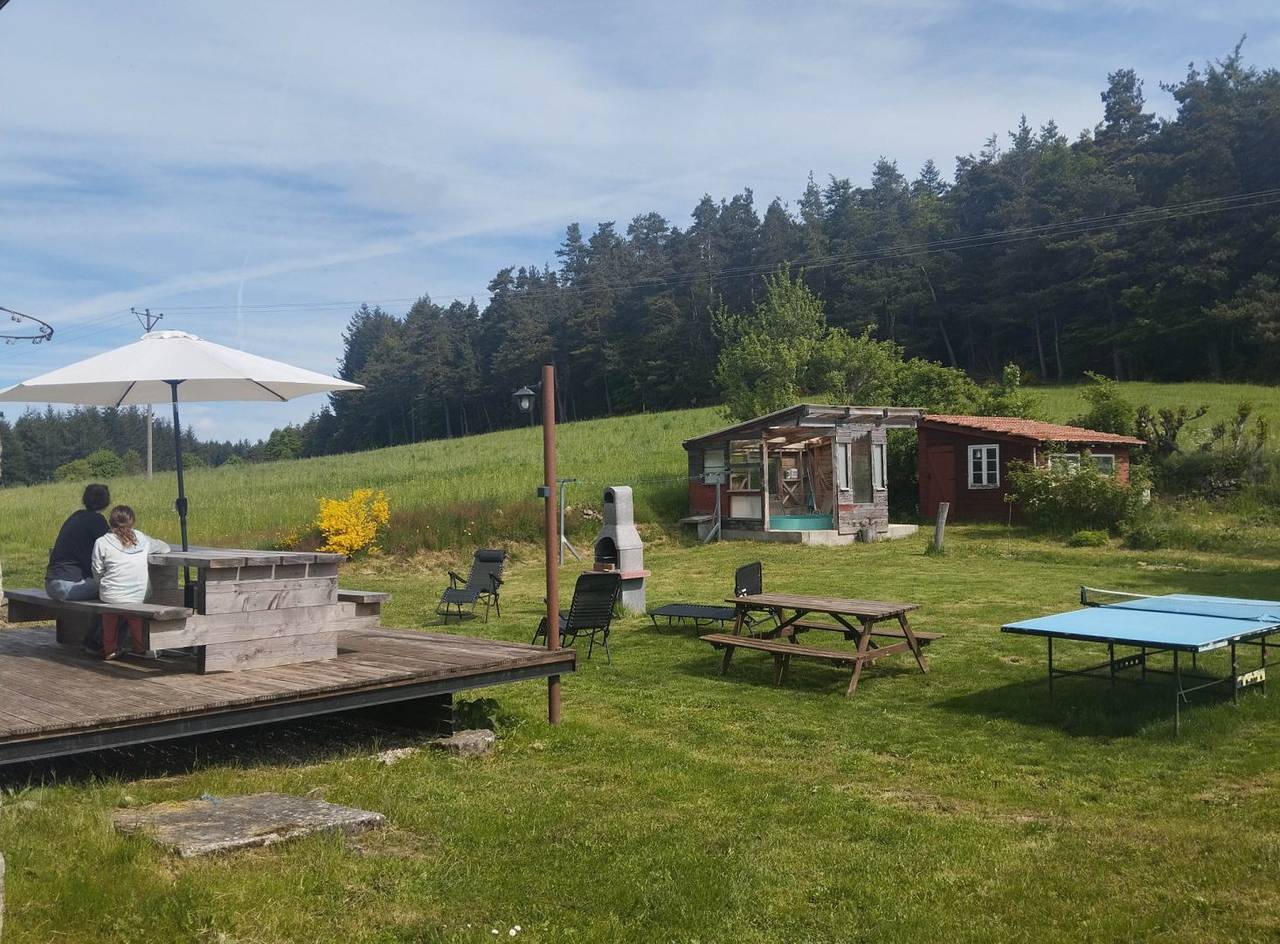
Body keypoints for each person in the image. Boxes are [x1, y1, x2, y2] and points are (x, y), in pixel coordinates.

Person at [91, 505, 171, 660]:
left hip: (111, 594)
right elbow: (164, 547)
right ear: (132, 522)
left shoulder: (101, 542)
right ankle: (141, 647)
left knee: (109, 613)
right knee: (135, 615)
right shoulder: (141, 538)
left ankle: (109, 648)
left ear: (110, 522)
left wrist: (102, 583)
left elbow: (97, 569)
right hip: (138, 595)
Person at [45, 483, 111, 602]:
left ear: (84, 499)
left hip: (52, 584)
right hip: (70, 585)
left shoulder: (75, 516)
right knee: (118, 587)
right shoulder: (97, 520)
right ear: (107, 501)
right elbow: (112, 548)